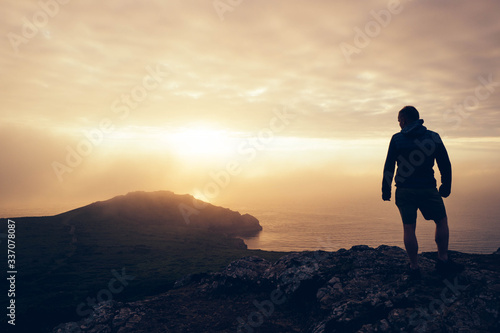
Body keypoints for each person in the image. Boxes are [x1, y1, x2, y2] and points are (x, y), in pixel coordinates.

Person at [382, 106, 463, 279]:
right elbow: (445, 164)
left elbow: (389, 166)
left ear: (403, 120)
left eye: (399, 120)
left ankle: (414, 267)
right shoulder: (433, 137)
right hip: (427, 188)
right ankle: (443, 260)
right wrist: (446, 186)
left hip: (404, 190)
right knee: (441, 221)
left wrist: (386, 189)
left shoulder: (397, 139)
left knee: (409, 227)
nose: (398, 124)